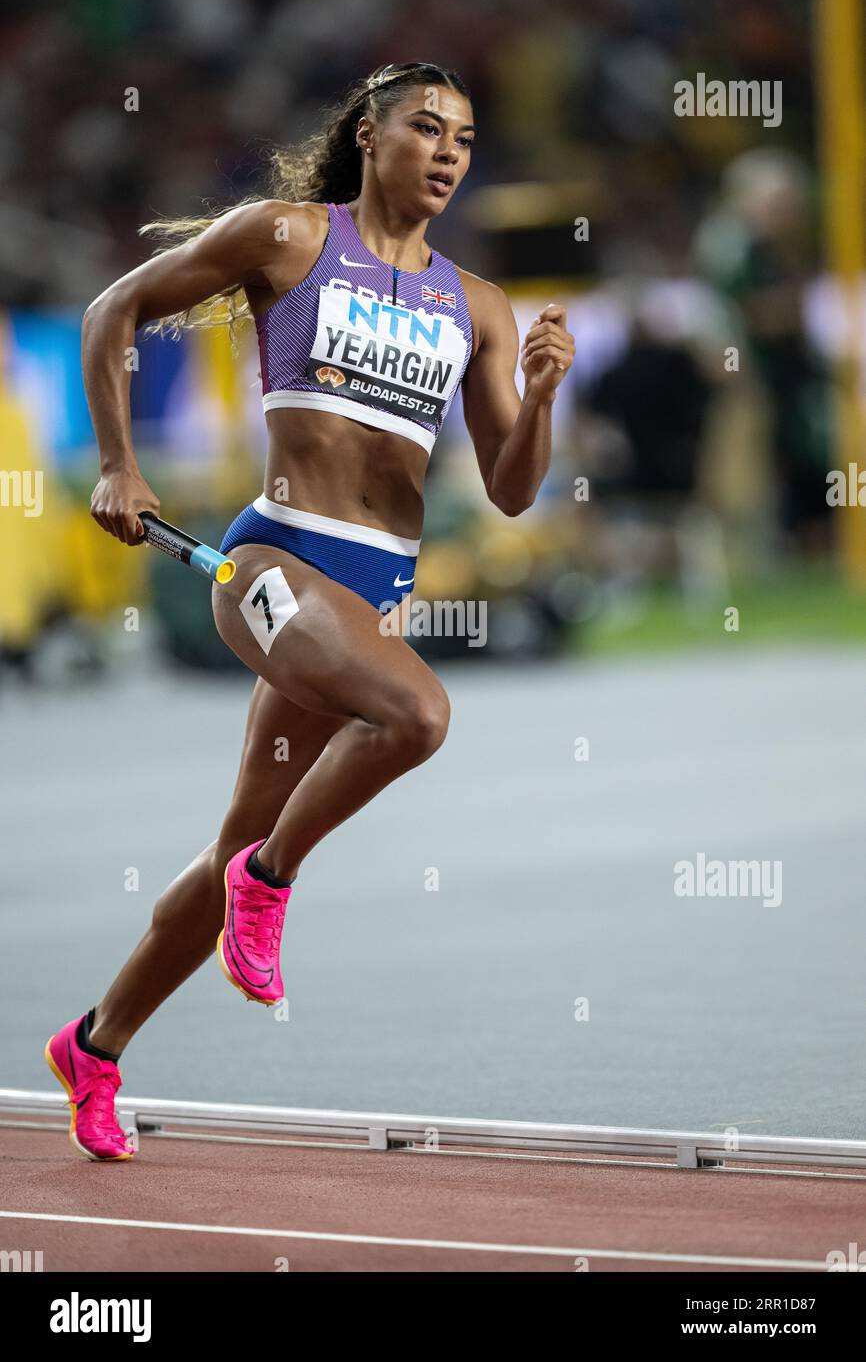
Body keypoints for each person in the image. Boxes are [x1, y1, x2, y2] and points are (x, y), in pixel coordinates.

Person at [44, 62, 575, 1161]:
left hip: (371, 588)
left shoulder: (475, 303)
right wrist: (116, 467)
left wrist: (542, 391)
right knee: (418, 718)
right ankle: (271, 883)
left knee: (232, 835)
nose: (445, 152)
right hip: (274, 562)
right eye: (424, 128)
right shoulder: (286, 237)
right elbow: (115, 308)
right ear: (368, 136)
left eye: (464, 140)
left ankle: (95, 1043)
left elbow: (514, 489)